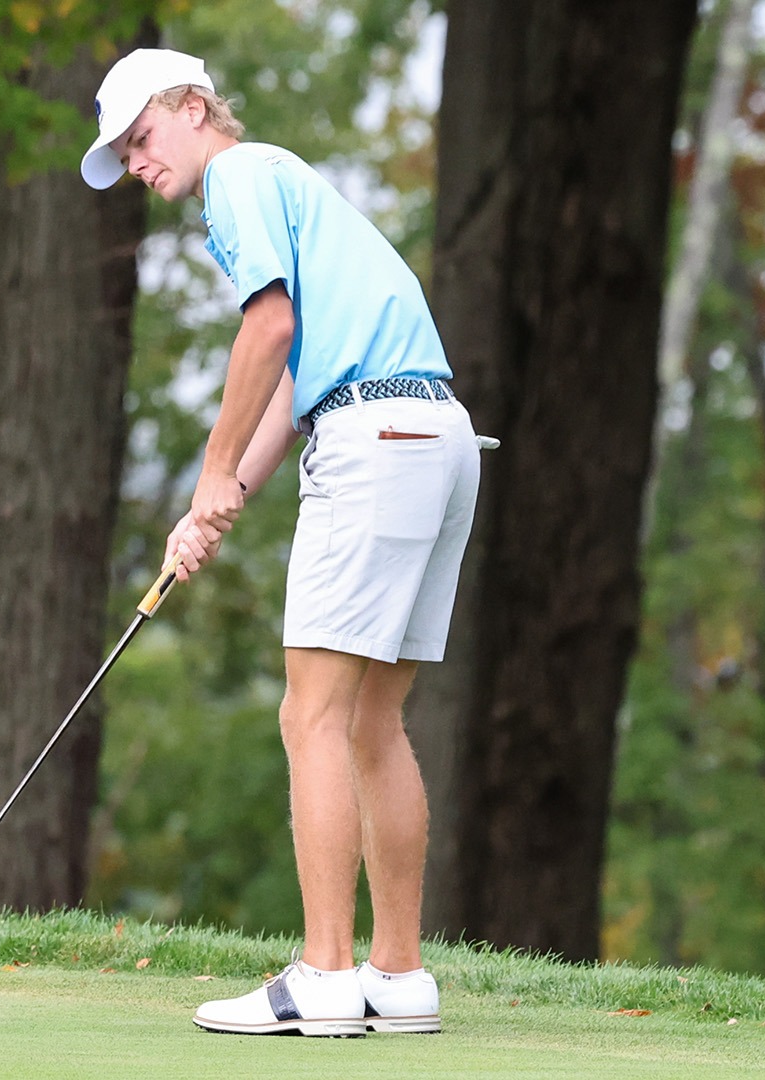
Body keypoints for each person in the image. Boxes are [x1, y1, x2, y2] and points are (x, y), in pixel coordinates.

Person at [80, 48, 482, 1037]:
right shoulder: (290, 182)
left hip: (374, 441)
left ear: (193, 106)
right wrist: (220, 501)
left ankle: (325, 978)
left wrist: (212, 468)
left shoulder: (239, 176)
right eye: (123, 153)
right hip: (435, 436)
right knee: (372, 720)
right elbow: (300, 370)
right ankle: (398, 977)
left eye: (142, 136)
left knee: (312, 717)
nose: (137, 161)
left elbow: (267, 328)